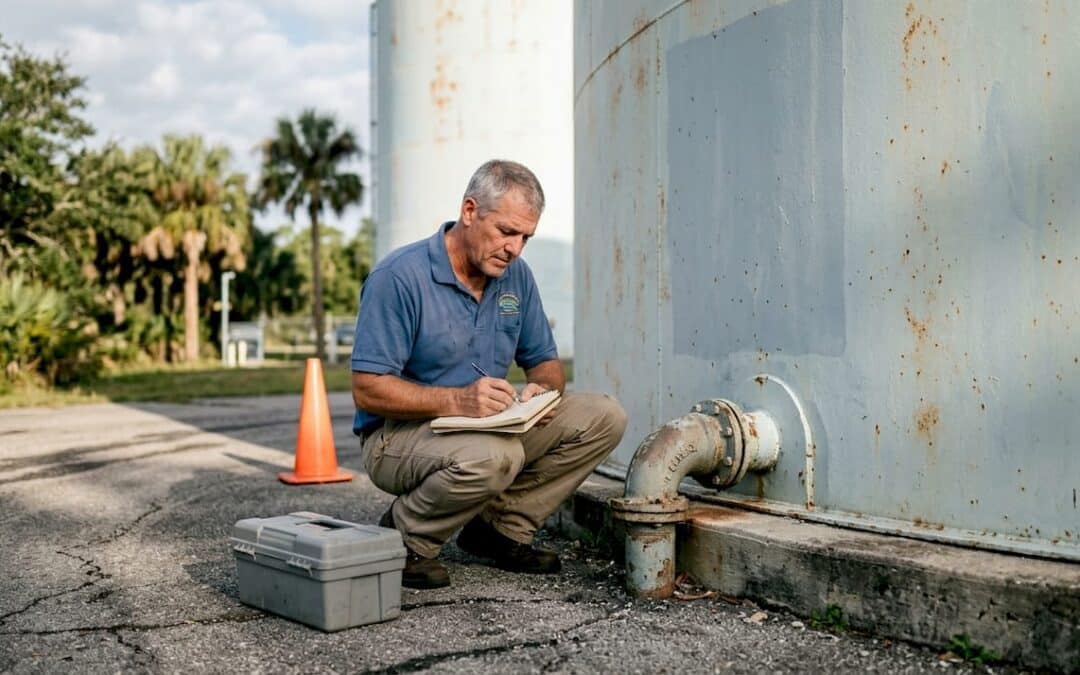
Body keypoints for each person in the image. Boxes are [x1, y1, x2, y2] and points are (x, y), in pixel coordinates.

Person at [350, 159, 627, 589]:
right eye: (506, 232)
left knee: (605, 416)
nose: (515, 248)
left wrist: (543, 393)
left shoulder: (515, 278)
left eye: (525, 237)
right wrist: (457, 401)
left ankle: (498, 530)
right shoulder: (400, 277)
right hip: (396, 436)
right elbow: (367, 390)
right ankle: (406, 538)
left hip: (486, 426)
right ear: (469, 211)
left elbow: (547, 366)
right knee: (499, 456)